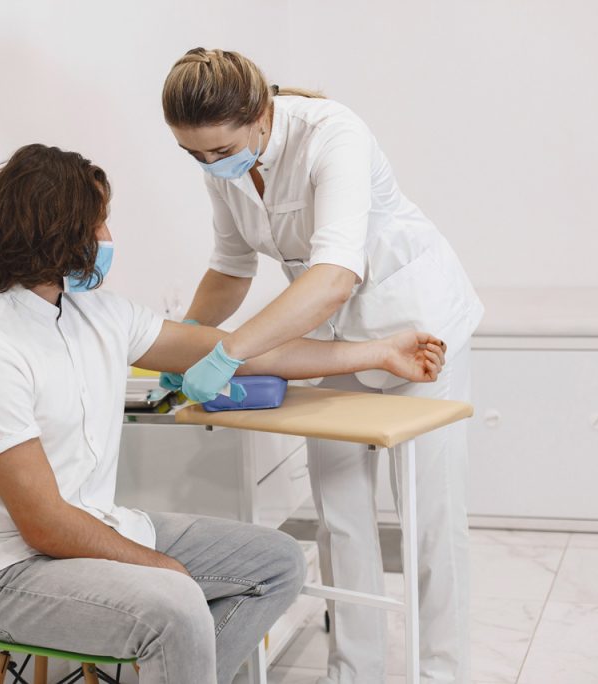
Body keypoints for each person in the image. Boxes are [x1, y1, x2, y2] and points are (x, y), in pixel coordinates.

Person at [0, 143, 449, 684]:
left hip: (93, 527)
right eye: (99, 225)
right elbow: (45, 525)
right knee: (174, 601)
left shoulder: (95, 313)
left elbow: (242, 351)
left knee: (276, 563)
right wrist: (162, 569)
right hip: (8, 574)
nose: (108, 241)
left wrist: (379, 351)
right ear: (57, 233)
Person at [159, 48, 485, 684]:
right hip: (331, 340)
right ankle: (354, 671)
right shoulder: (223, 161)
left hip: (417, 332)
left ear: (260, 115)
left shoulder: (334, 134)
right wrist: (186, 339)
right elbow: (231, 266)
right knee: (340, 514)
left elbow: (335, 276)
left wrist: (228, 352)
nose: (208, 163)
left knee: (430, 519)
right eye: (192, 154)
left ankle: (441, 674)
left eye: (215, 149)